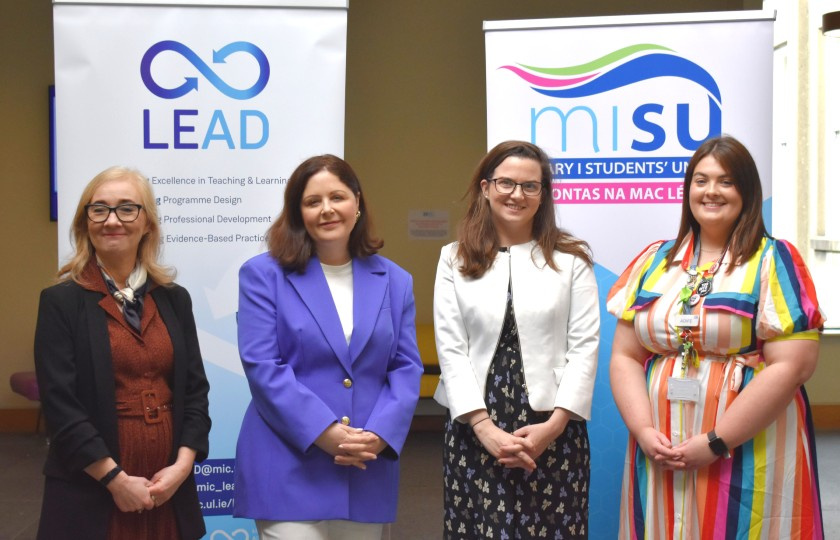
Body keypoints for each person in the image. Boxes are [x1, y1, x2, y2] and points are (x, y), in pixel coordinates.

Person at [608, 135, 826, 539]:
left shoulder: (773, 260)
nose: (711, 191)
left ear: (746, 190)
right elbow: (624, 356)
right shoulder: (655, 260)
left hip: (746, 445)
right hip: (661, 447)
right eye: (700, 180)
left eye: (725, 181)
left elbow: (793, 366)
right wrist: (642, 431)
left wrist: (715, 442)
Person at [233, 154, 423, 539]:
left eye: (337, 197)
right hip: (288, 459)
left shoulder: (395, 280)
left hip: (364, 462)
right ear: (297, 212)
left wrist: (380, 435)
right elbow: (263, 366)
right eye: (312, 201)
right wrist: (326, 432)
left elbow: (405, 368)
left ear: (357, 203)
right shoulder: (263, 275)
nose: (326, 210)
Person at [433, 140, 600, 539]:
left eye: (530, 186)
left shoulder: (571, 260)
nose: (517, 195)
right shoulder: (453, 259)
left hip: (552, 430)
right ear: (486, 187)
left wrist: (554, 426)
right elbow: (451, 348)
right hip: (474, 424)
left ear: (543, 196)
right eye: (506, 183)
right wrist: (484, 428)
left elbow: (584, 348)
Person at [33, 167, 212, 539]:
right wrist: (114, 479)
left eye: (127, 209)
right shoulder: (61, 302)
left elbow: (195, 392)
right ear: (86, 223)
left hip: (168, 487)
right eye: (99, 210)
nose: (112, 220)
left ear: (147, 223)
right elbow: (60, 405)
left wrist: (182, 468)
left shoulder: (175, 300)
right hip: (92, 487)